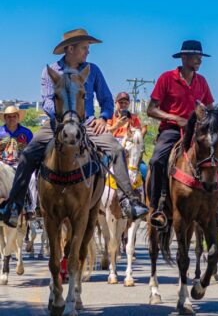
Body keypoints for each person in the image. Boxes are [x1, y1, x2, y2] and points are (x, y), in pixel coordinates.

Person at [0, 29, 148, 228]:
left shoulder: (92, 70)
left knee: (117, 149)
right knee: (27, 154)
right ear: (71, 48)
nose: (88, 52)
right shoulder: (51, 71)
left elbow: (106, 100)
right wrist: (66, 119)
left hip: (87, 124)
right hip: (56, 124)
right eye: (85, 48)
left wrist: (104, 118)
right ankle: (15, 205)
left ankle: (127, 201)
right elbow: (47, 102)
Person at [147, 40, 214, 229]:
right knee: (157, 160)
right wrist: (175, 118)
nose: (199, 60)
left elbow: (209, 108)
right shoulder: (167, 78)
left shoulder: (202, 81)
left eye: (200, 57)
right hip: (171, 130)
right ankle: (157, 207)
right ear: (184, 57)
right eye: (195, 56)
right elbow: (151, 110)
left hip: (196, 132)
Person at [0, 106, 36, 219]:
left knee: (33, 178)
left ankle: (31, 208)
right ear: (5, 118)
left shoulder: (27, 132)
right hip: (2, 164)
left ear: (18, 117)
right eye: (9, 117)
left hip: (21, 164)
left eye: (14, 116)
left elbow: (33, 150)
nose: (11, 119)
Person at [107, 91, 148, 180]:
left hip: (130, 147)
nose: (123, 105)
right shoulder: (110, 116)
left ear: (129, 104)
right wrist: (117, 125)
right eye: (121, 102)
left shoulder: (134, 118)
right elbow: (106, 132)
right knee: (102, 162)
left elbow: (138, 136)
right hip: (113, 146)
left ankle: (147, 193)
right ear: (116, 103)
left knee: (144, 169)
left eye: (126, 103)